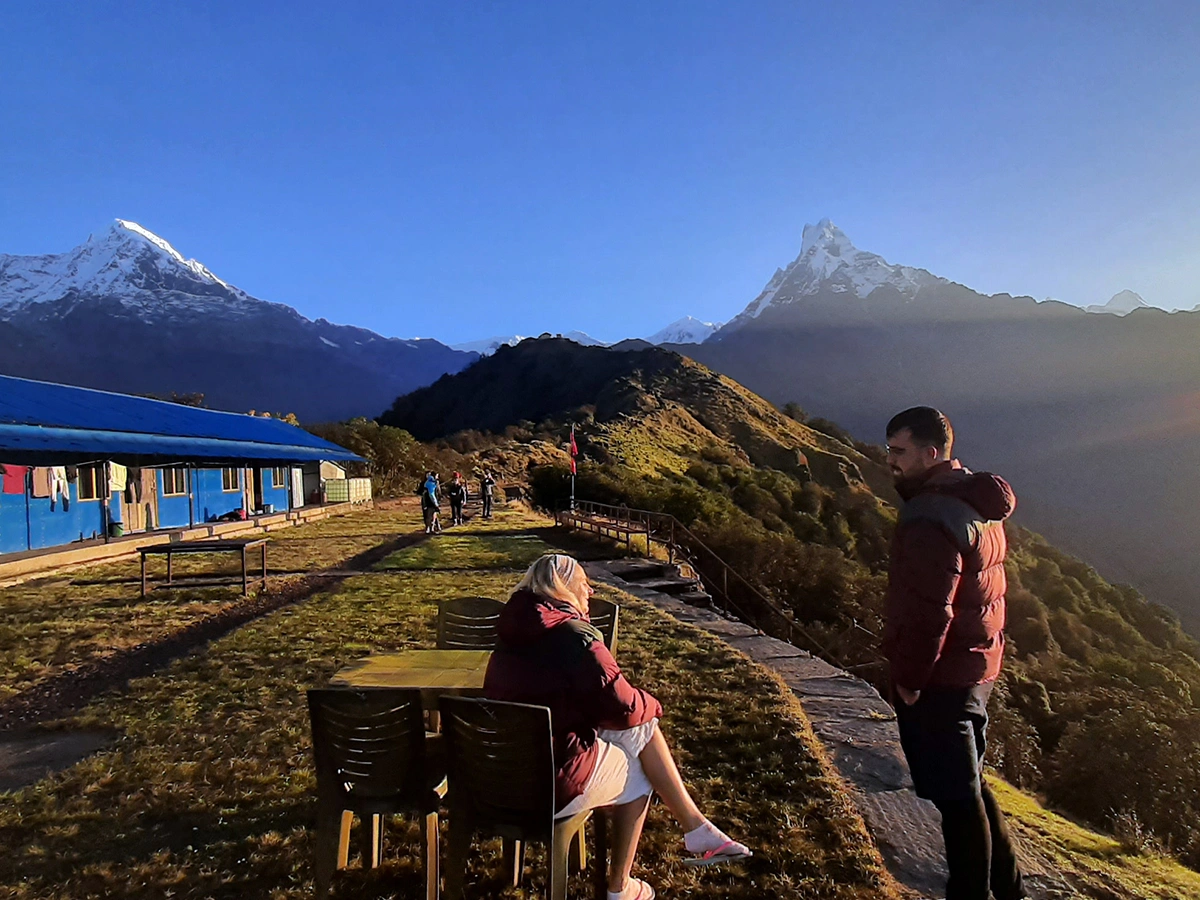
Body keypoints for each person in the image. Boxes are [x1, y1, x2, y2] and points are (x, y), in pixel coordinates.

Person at [484, 554, 751, 900]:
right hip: (549, 783)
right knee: (638, 765)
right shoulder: (574, 636)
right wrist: (653, 706)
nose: (591, 590)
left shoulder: (509, 632)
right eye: (584, 583)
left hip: (492, 776)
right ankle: (621, 887)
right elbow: (623, 707)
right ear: (563, 588)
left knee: (638, 731)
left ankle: (696, 828)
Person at [882, 407, 1025, 900]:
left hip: (941, 677)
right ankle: (1008, 888)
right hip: (977, 665)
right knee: (972, 785)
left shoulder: (927, 515)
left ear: (930, 452)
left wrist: (911, 677)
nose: (891, 462)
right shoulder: (975, 501)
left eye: (899, 452)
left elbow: (929, 610)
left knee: (957, 799)